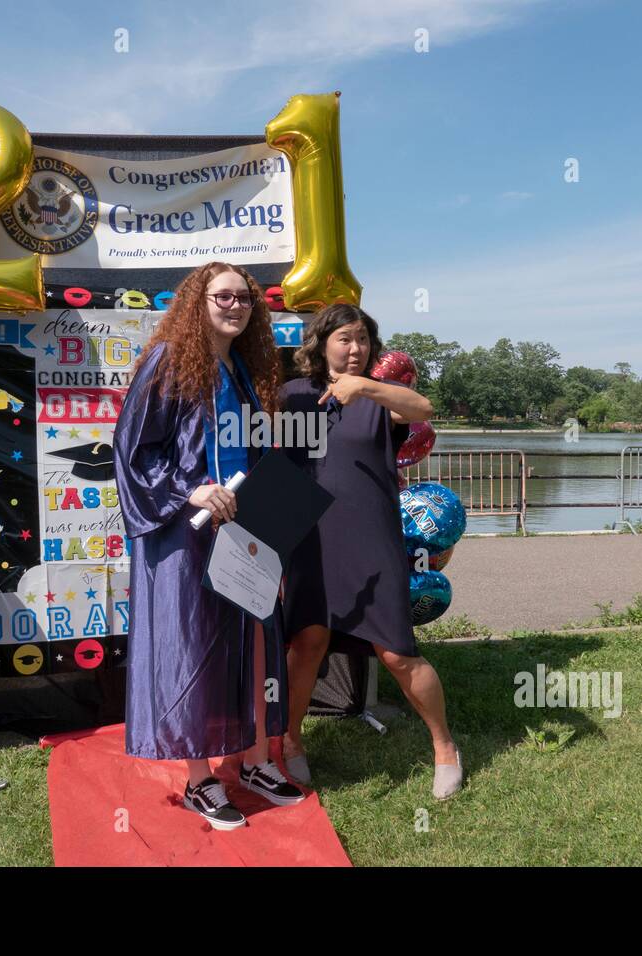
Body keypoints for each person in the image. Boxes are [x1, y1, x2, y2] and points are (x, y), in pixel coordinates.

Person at [111, 261, 304, 831]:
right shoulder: (170, 360)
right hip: (186, 532)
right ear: (199, 301)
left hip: (245, 528)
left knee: (253, 647)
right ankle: (200, 780)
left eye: (245, 298)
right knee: (195, 651)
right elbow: (133, 450)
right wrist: (189, 490)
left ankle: (254, 761)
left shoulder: (243, 368)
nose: (235, 306)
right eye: (223, 296)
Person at [278, 303, 462, 799]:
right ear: (322, 344)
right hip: (309, 539)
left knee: (399, 654)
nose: (355, 348)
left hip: (372, 538)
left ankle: (445, 746)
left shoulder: (382, 399)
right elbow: (275, 465)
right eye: (344, 339)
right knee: (307, 643)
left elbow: (423, 410)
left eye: (362, 339)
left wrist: (365, 388)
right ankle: (291, 741)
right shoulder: (291, 396)